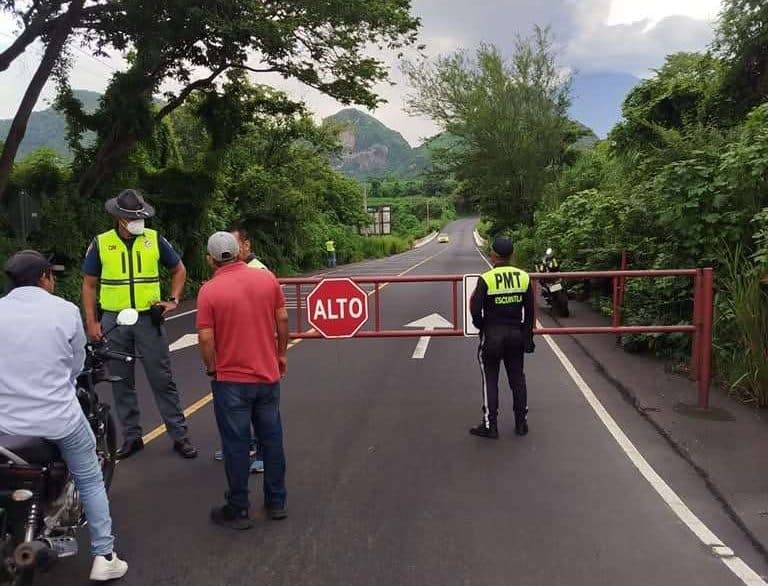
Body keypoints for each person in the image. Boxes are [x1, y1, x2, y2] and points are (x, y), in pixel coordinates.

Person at [0, 251, 128, 582]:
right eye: (51, 275)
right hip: (57, 418)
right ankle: (104, 555)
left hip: (5, 423)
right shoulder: (65, 311)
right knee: (88, 475)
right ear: (45, 278)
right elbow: (75, 365)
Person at [81, 189, 197, 460]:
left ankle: (180, 436)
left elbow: (178, 269)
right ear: (120, 218)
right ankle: (132, 437)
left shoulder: (154, 240)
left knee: (162, 378)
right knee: (121, 381)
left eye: (140, 216)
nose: (138, 221)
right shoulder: (101, 243)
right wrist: (92, 321)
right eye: (133, 217)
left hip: (148, 318)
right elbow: (88, 284)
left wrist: (173, 299)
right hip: (114, 320)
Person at [197, 232, 289, 529]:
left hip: (231, 380)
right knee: (272, 440)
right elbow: (283, 319)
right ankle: (276, 502)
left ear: (210, 259)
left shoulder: (209, 291)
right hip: (267, 376)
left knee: (236, 445)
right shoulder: (267, 279)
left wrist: (212, 368)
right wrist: (281, 354)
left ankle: (238, 509)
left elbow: (206, 338)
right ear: (240, 252)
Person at [211, 224, 268, 474]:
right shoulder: (224, 274)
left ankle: (259, 454)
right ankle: (240, 446)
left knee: (260, 412)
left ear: (246, 245)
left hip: (254, 355)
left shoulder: (260, 272)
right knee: (235, 408)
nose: (229, 251)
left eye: (233, 246)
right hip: (231, 355)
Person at [469, 236, 535, 439]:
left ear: (494, 255)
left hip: (493, 335)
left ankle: (491, 426)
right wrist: (527, 336)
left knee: (490, 378)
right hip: (516, 334)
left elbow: (475, 310)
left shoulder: (486, 279)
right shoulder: (524, 277)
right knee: (517, 378)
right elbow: (530, 311)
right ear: (511, 255)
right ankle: (521, 423)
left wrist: (482, 327)